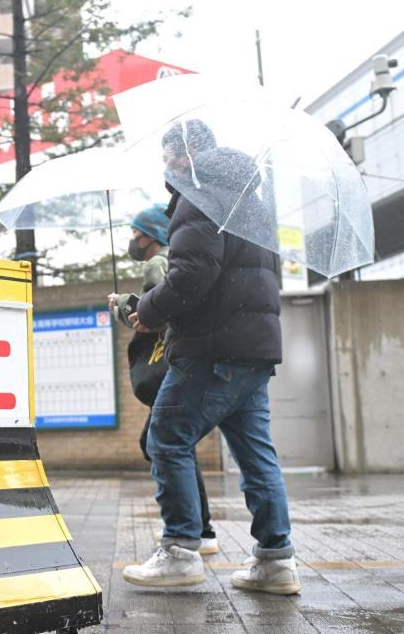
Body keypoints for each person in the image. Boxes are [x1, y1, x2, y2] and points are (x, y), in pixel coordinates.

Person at [121, 120, 299, 594]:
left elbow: (192, 274)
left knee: (167, 439)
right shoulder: (251, 202)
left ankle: (181, 551)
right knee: (256, 454)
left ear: (188, 153)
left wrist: (147, 310)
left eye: (169, 155)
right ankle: (276, 561)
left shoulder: (199, 196)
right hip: (254, 349)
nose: (166, 165)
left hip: (211, 349)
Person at [110, 204, 218, 556]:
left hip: (176, 363)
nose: (132, 239)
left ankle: (187, 534)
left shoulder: (160, 261)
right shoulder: (183, 258)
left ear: (150, 235)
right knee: (172, 445)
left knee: (162, 444)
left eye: (136, 232)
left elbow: (157, 315)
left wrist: (123, 305)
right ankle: (202, 530)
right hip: (196, 362)